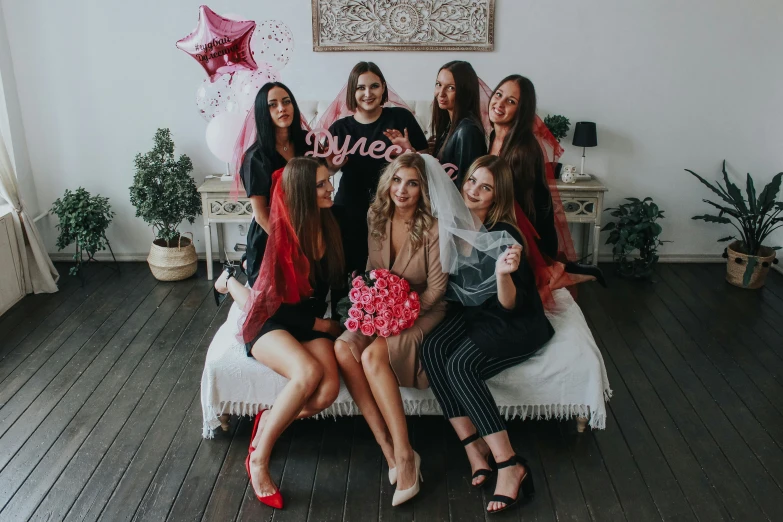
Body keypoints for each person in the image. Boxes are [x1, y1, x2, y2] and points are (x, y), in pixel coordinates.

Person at [420, 155, 553, 514]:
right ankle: (471, 446)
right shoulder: (452, 223)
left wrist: (503, 274)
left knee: (461, 366)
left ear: (498, 196)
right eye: (471, 181)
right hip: (476, 314)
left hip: (514, 319)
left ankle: (510, 465)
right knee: (431, 348)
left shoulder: (504, 236)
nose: (474, 190)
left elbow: (510, 304)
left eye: (486, 187)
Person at [213, 157, 344, 510]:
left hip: (307, 319)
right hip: (271, 322)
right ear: (302, 191)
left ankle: (269, 417)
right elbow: (270, 304)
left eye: (328, 181)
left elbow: (333, 284)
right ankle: (258, 460)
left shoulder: (331, 222)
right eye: (320, 184)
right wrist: (323, 327)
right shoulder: (275, 233)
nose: (329, 187)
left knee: (327, 392)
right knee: (308, 373)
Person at [333, 152, 447, 507]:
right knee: (343, 348)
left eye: (412, 183)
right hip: (384, 306)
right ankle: (388, 448)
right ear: (388, 184)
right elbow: (372, 267)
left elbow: (436, 289)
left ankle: (406, 455)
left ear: (423, 189)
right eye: (397, 181)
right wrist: (369, 303)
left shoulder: (434, 227)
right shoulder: (376, 216)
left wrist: (400, 316)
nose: (402, 189)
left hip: (424, 309)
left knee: (372, 356)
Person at [487, 75, 604, 295]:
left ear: (521, 111)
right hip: (507, 224)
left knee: (529, 291)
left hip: (527, 230)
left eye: (511, 101)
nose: (500, 104)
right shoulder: (493, 135)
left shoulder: (523, 150)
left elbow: (524, 209)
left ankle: (566, 271)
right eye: (499, 94)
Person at [321, 62, 429, 274]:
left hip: (394, 206)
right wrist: (332, 167)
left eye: (374, 86)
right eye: (361, 88)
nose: (368, 93)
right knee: (351, 270)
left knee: (390, 270)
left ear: (383, 88)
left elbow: (427, 164)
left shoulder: (400, 118)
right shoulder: (339, 129)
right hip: (350, 208)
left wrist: (409, 151)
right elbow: (325, 174)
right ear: (352, 91)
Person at [233, 82, 309, 286]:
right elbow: (260, 215)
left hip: (306, 223)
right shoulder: (255, 157)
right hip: (272, 231)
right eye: (272, 105)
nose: (282, 108)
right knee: (272, 295)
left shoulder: (306, 141)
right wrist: (291, 244)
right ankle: (229, 281)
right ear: (262, 112)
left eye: (286, 102)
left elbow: (321, 176)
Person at [430, 61, 487, 183]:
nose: (441, 93)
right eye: (438, 84)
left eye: (451, 88)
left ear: (465, 91)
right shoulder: (449, 125)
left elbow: (465, 183)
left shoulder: (467, 131)